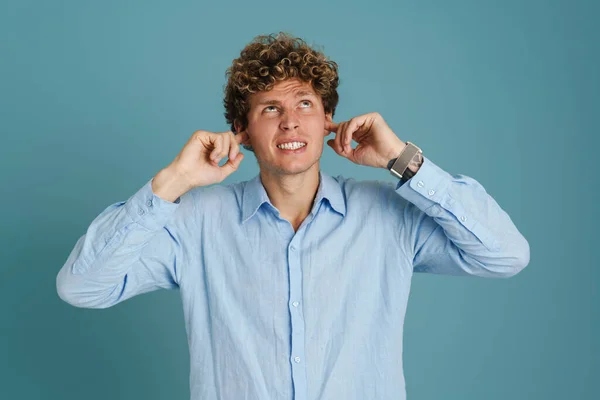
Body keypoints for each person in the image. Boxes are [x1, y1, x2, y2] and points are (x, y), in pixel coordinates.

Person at [56, 32, 530, 400]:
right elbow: (81, 287)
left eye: (305, 103)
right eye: (270, 108)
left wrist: (403, 161)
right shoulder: (194, 222)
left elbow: (505, 255)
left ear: (328, 120)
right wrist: (172, 183)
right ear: (241, 130)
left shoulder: (389, 215)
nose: (290, 121)